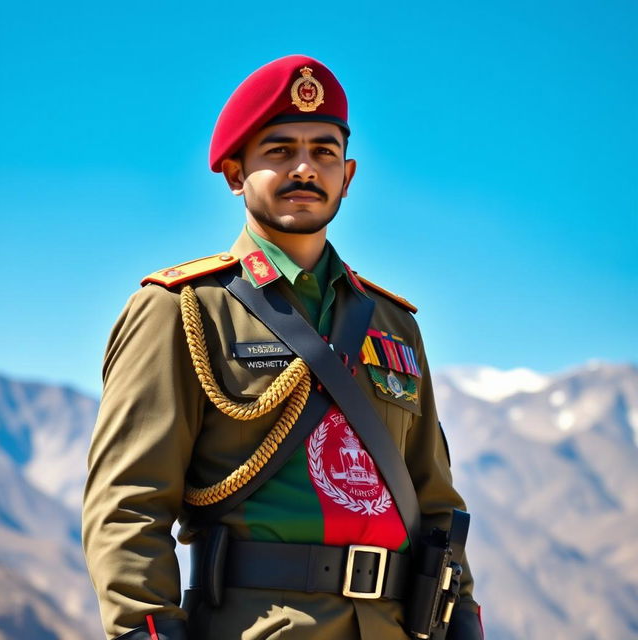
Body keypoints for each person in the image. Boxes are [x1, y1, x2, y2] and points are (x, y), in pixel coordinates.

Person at [82, 54, 484, 640]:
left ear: (348, 175)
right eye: (279, 151)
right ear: (235, 173)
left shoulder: (394, 324)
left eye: (323, 152)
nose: (304, 168)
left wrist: (464, 621)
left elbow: (436, 501)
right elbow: (128, 507)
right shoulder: (183, 309)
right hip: (260, 626)